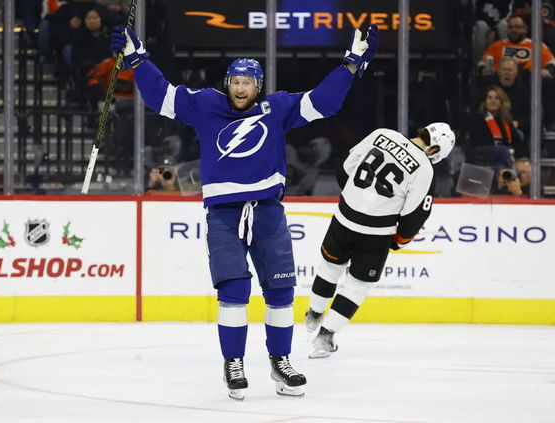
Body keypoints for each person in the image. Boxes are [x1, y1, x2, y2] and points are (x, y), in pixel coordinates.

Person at [111, 23, 379, 399]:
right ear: (228, 83)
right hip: (224, 214)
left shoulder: (278, 108)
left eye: (248, 82)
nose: (240, 88)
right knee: (234, 289)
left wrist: (350, 64)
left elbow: (323, 101)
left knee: (281, 291)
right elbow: (162, 97)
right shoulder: (206, 104)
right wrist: (137, 59)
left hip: (268, 212)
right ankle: (233, 363)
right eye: (236, 81)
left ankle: (280, 361)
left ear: (259, 86)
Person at [304, 123, 455, 358]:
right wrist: (399, 241)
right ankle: (325, 336)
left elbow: (345, 170)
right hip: (376, 233)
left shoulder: (381, 134)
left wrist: (357, 198)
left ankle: (314, 314)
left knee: (329, 267)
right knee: (357, 285)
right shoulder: (424, 169)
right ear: (435, 149)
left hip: (344, 218)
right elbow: (415, 215)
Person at [467, 85, 526, 168]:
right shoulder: (478, 119)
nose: (492, 101)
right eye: (490, 98)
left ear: (501, 102)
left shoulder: (505, 120)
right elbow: (477, 144)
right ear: (485, 101)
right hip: (484, 158)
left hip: (502, 159)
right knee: (502, 152)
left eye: (496, 98)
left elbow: (516, 141)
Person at [478, 16, 555, 78]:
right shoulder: (497, 45)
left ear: (525, 29)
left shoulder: (537, 45)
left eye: (517, 27)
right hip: (500, 84)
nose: (513, 30)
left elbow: (552, 62)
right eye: (510, 27)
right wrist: (483, 69)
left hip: (528, 82)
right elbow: (482, 63)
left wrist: (548, 70)